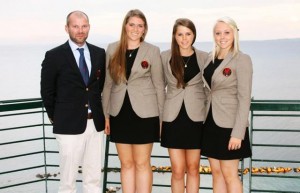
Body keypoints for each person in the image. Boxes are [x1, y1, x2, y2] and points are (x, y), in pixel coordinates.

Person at [40, 11, 106, 193]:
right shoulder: (54, 56)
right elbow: (47, 91)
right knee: (68, 182)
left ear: (89, 28)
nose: (80, 30)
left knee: (93, 179)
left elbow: (100, 87)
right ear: (67, 28)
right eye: (75, 26)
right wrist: (57, 118)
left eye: (84, 26)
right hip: (67, 126)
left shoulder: (99, 53)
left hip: (95, 125)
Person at [102, 9, 165, 193]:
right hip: (119, 113)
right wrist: (106, 115)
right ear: (125, 26)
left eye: (140, 26)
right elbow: (107, 84)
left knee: (142, 163)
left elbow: (159, 85)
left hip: (146, 114)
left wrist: (161, 119)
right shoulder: (112, 48)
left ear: (145, 29)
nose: (135, 29)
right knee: (126, 163)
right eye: (132, 25)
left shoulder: (152, 51)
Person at [201, 16, 253, 193]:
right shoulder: (209, 57)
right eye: (218, 33)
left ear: (234, 34)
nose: (222, 36)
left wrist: (238, 133)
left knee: (230, 175)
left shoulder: (242, 59)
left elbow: (244, 98)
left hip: (230, 126)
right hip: (210, 123)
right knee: (216, 173)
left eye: (226, 32)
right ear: (213, 35)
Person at [160, 18, 208, 193]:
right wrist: (159, 120)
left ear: (194, 35)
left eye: (188, 34)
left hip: (196, 118)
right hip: (172, 118)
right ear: (174, 36)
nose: (184, 38)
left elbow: (210, 89)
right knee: (178, 170)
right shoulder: (165, 56)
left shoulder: (204, 57)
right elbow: (159, 88)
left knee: (194, 168)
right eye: (180, 34)